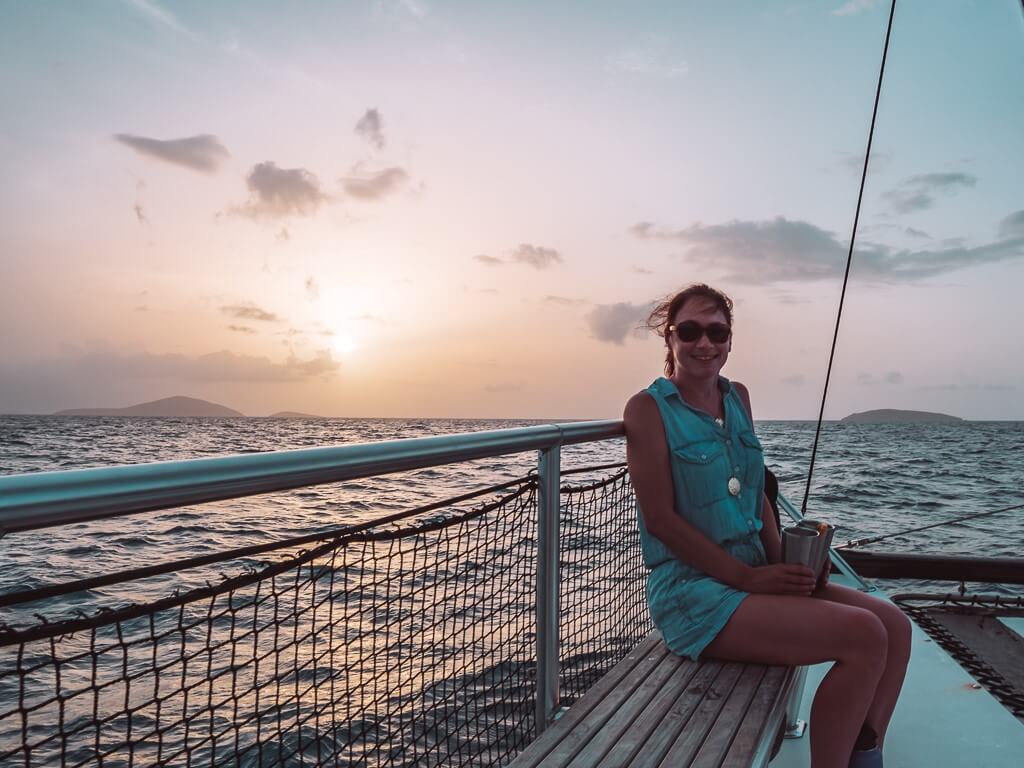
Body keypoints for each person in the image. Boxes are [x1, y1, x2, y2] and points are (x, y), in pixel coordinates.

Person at [623, 284, 911, 768]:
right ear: (670, 338)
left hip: (756, 573)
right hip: (695, 595)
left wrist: (789, 566)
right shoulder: (648, 410)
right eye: (690, 331)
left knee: (896, 627)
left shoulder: (737, 397)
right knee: (864, 636)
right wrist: (749, 580)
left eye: (717, 332)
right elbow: (661, 521)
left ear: (730, 341)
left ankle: (865, 753)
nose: (704, 343)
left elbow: (757, 492)